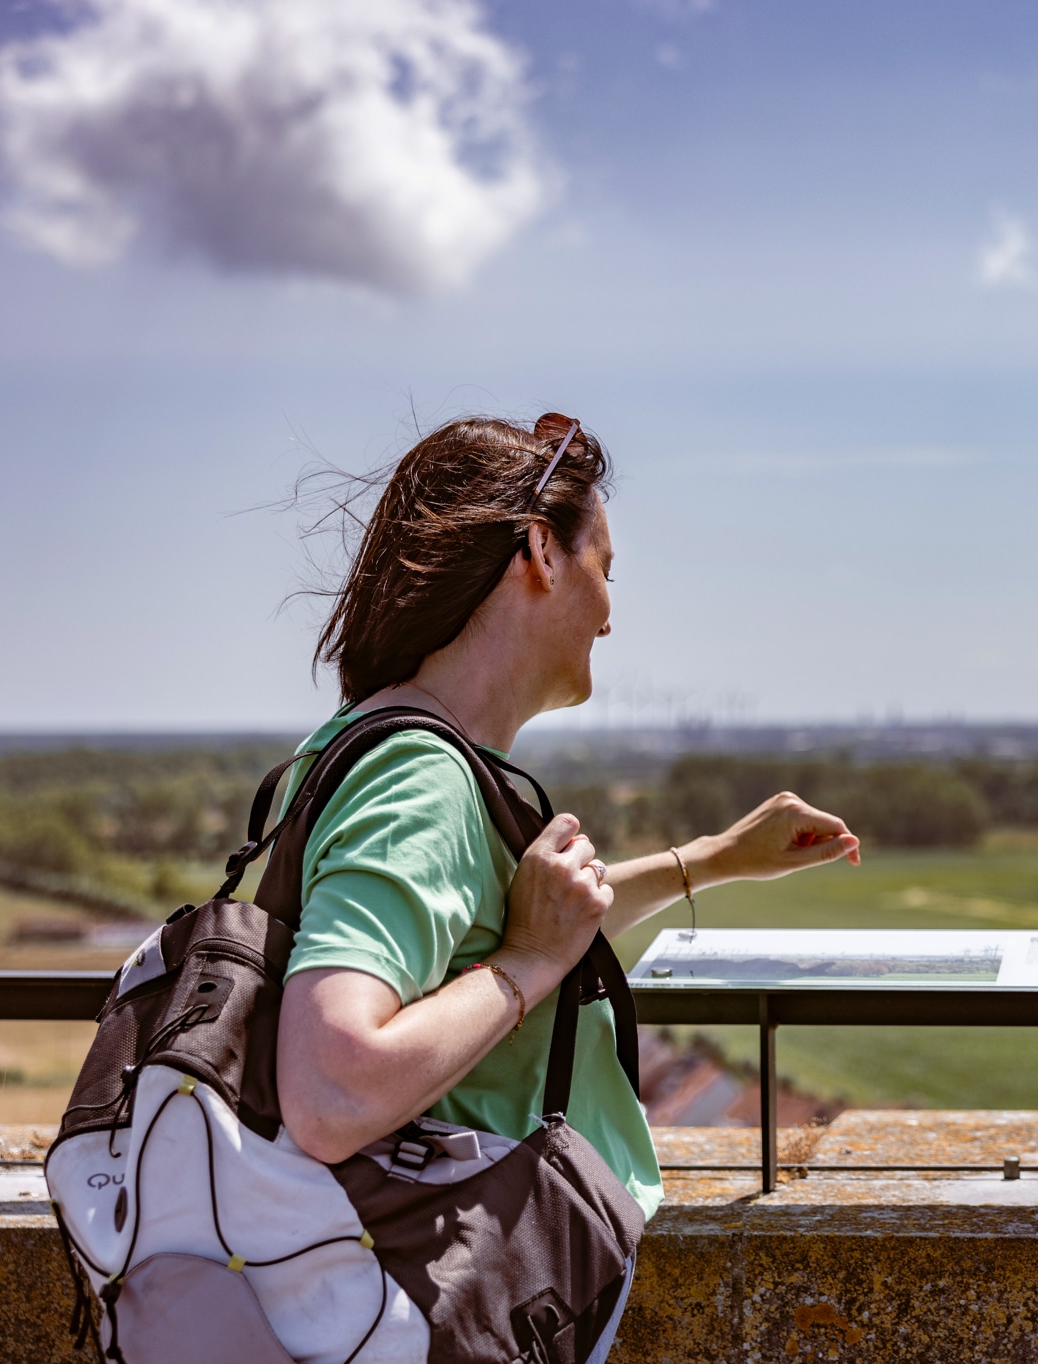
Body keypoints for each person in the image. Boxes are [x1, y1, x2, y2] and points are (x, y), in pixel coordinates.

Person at [274, 412, 861, 1235]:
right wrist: (531, 960)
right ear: (541, 551)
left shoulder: (360, 738)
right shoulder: (418, 778)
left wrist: (712, 859)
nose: (611, 613)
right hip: (433, 1288)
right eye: (605, 567)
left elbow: (485, 928)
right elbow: (332, 1092)